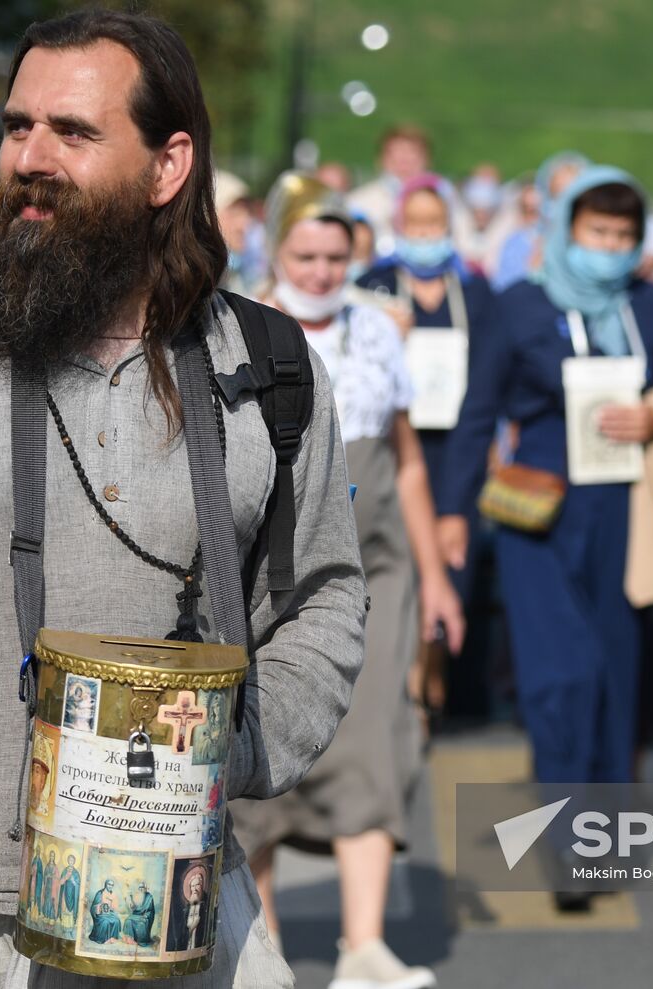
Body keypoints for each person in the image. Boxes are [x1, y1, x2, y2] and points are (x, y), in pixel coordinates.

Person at [0, 11, 367, 987]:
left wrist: (231, 745)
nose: (30, 158)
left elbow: (322, 597)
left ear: (167, 167)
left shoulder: (269, 366)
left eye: (73, 133)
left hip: (175, 915)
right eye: (17, 127)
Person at [235, 171, 463, 989]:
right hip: (265, 566)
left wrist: (435, 578)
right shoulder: (236, 324)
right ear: (278, 248)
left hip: (372, 564)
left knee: (373, 738)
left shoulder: (377, 332)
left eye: (338, 254)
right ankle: (259, 949)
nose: (324, 269)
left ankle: (362, 947)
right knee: (254, 752)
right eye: (308, 252)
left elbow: (405, 461)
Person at [438, 165, 653, 908]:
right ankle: (571, 843)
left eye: (622, 236)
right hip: (538, 510)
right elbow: (477, 410)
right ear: (564, 230)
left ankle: (607, 830)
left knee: (616, 670)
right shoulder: (519, 305)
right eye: (595, 233)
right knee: (559, 672)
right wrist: (454, 509)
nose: (608, 248)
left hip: (628, 511)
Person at [357, 173, 497, 721]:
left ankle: (431, 677)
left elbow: (486, 386)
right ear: (398, 227)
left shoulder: (475, 293)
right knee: (397, 563)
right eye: (414, 225)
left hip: (454, 452)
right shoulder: (373, 285)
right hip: (395, 448)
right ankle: (401, 687)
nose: (425, 234)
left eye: (434, 224)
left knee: (447, 562)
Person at [348, 125, 469, 256]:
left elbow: (463, 240)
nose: (405, 159)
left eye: (412, 152)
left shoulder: (445, 194)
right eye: (397, 153)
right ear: (382, 159)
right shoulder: (359, 200)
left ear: (426, 159)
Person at [493, 150, 590, 291]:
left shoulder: (597, 244)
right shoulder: (521, 242)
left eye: (572, 197)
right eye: (557, 196)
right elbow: (505, 289)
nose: (563, 205)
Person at [89, 880, 122, 945]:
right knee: (105, 922)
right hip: (101, 914)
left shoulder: (113, 894)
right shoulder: (100, 893)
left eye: (112, 885)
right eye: (109, 884)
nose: (110, 886)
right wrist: (100, 907)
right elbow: (93, 907)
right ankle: (103, 939)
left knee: (116, 920)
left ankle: (112, 938)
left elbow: (114, 907)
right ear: (106, 884)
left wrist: (112, 904)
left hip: (109, 913)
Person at [125, 881, 157, 946]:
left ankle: (141, 941)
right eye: (140, 887)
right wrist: (130, 899)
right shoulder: (137, 896)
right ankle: (131, 939)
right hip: (137, 915)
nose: (141, 889)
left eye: (142, 887)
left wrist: (146, 916)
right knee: (128, 921)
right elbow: (134, 908)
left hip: (146, 916)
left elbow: (150, 911)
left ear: (145, 888)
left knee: (141, 923)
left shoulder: (149, 897)